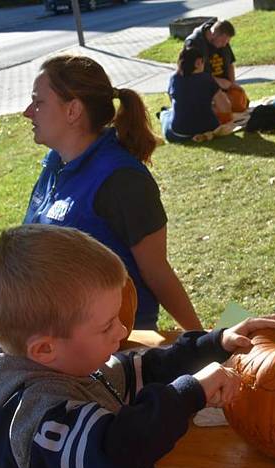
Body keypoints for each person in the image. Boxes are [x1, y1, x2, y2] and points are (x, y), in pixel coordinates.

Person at [0, 224, 275, 468]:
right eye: (106, 326)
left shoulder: (73, 366)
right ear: (45, 349)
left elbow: (144, 368)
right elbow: (117, 448)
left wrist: (214, 343)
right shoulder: (31, 419)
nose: (122, 331)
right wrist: (190, 393)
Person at [22, 54, 202, 331]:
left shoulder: (122, 179)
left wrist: (202, 340)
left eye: (39, 102)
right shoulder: (57, 161)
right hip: (55, 331)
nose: (28, 112)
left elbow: (157, 272)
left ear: (73, 111)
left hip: (112, 341)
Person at [160, 47, 232, 143]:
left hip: (181, 132)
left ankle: (163, 113)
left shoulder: (175, 79)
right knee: (168, 114)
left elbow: (173, 100)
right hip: (210, 127)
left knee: (166, 115)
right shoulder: (207, 79)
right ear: (198, 62)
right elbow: (225, 107)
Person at [184, 19, 248, 112]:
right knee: (220, 112)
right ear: (213, 33)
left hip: (224, 87)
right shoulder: (194, 43)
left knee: (240, 104)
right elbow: (193, 74)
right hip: (204, 89)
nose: (224, 45)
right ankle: (165, 114)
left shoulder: (223, 41)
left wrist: (232, 85)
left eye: (227, 42)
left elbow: (230, 64)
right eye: (223, 41)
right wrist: (217, 82)